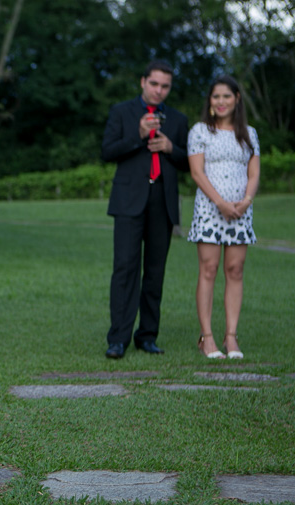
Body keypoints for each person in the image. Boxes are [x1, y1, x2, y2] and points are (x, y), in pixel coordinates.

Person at [102, 60, 189, 359]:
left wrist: (170, 148)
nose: (159, 91)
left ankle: (147, 335)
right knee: (125, 270)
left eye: (165, 86)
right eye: (154, 84)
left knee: (155, 272)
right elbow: (107, 151)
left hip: (161, 203)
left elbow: (189, 162)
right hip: (128, 203)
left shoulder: (177, 119)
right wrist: (138, 135)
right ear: (143, 82)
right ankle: (118, 339)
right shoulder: (122, 112)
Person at [187, 75, 260, 360]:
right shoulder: (200, 131)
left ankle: (231, 337)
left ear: (237, 99)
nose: (220, 102)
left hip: (241, 211)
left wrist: (245, 201)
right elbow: (197, 172)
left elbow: (253, 174)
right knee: (209, 269)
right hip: (209, 210)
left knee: (235, 270)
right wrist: (219, 203)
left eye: (226, 96)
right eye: (215, 97)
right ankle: (207, 337)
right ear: (210, 101)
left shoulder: (249, 133)